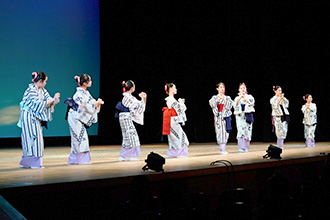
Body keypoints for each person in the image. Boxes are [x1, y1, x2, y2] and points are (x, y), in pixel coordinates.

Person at [17, 71, 60, 169]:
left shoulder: (42, 90)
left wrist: (55, 100)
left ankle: (31, 162)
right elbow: (38, 104)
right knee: (31, 139)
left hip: (36, 117)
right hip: (29, 116)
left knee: (37, 139)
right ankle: (31, 163)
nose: (45, 83)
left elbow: (48, 100)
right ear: (40, 81)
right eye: (45, 81)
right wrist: (49, 101)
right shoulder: (31, 90)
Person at [66, 74, 104, 164]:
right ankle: (78, 160)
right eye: (89, 80)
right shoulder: (78, 94)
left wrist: (97, 103)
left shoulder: (86, 93)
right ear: (85, 83)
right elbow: (84, 107)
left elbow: (91, 102)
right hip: (74, 117)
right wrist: (96, 104)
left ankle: (76, 160)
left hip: (78, 117)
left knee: (82, 138)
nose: (91, 82)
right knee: (78, 138)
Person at [118, 80, 146, 161]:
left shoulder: (128, 96)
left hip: (125, 117)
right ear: (132, 88)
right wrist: (143, 98)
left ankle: (126, 155)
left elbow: (139, 106)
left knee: (129, 137)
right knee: (131, 136)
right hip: (125, 117)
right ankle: (126, 156)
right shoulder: (128, 97)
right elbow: (139, 106)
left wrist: (142, 99)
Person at [162, 83, 189, 157]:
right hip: (172, 120)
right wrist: (181, 102)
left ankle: (174, 153)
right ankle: (178, 153)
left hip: (173, 120)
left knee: (177, 136)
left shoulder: (172, 99)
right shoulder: (170, 99)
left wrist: (181, 103)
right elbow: (179, 108)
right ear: (170, 89)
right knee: (179, 136)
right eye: (175, 87)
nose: (176, 89)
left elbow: (180, 108)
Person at [209, 82, 233, 154]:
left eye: (223, 87)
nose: (222, 89)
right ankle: (221, 150)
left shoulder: (227, 97)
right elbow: (211, 104)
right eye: (221, 87)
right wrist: (218, 100)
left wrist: (224, 100)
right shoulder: (214, 97)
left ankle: (224, 149)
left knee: (226, 132)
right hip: (218, 116)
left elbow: (230, 105)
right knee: (219, 132)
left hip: (225, 116)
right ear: (217, 89)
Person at [233, 83, 255, 152]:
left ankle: (246, 147)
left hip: (247, 115)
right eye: (241, 88)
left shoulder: (250, 96)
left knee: (247, 131)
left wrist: (244, 97)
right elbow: (234, 105)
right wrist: (240, 97)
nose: (243, 89)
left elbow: (251, 103)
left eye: (244, 88)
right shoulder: (237, 98)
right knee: (240, 130)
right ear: (239, 90)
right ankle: (240, 147)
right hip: (240, 116)